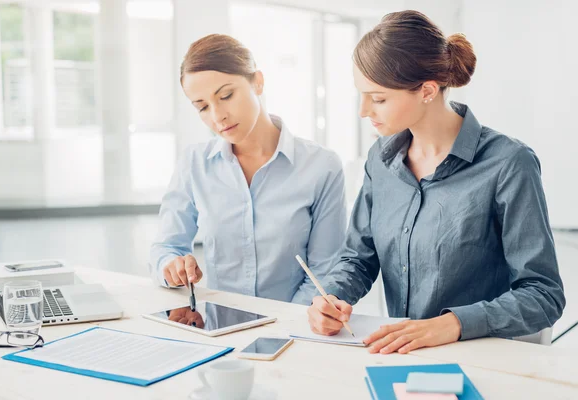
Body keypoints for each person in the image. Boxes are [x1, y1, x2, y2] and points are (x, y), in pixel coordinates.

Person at [307, 10, 565, 353]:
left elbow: (544, 295)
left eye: (379, 98)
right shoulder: (379, 161)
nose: (364, 110)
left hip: (486, 359)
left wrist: (453, 324)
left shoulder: (509, 163)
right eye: (362, 94)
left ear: (427, 90)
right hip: (400, 356)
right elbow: (358, 257)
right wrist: (332, 296)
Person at [150, 34, 347, 305]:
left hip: (295, 327)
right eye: (203, 107)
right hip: (220, 326)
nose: (217, 116)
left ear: (258, 82)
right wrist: (171, 266)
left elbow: (325, 270)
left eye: (226, 96)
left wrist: (284, 323)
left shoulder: (322, 166)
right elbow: (166, 247)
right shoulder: (194, 163)